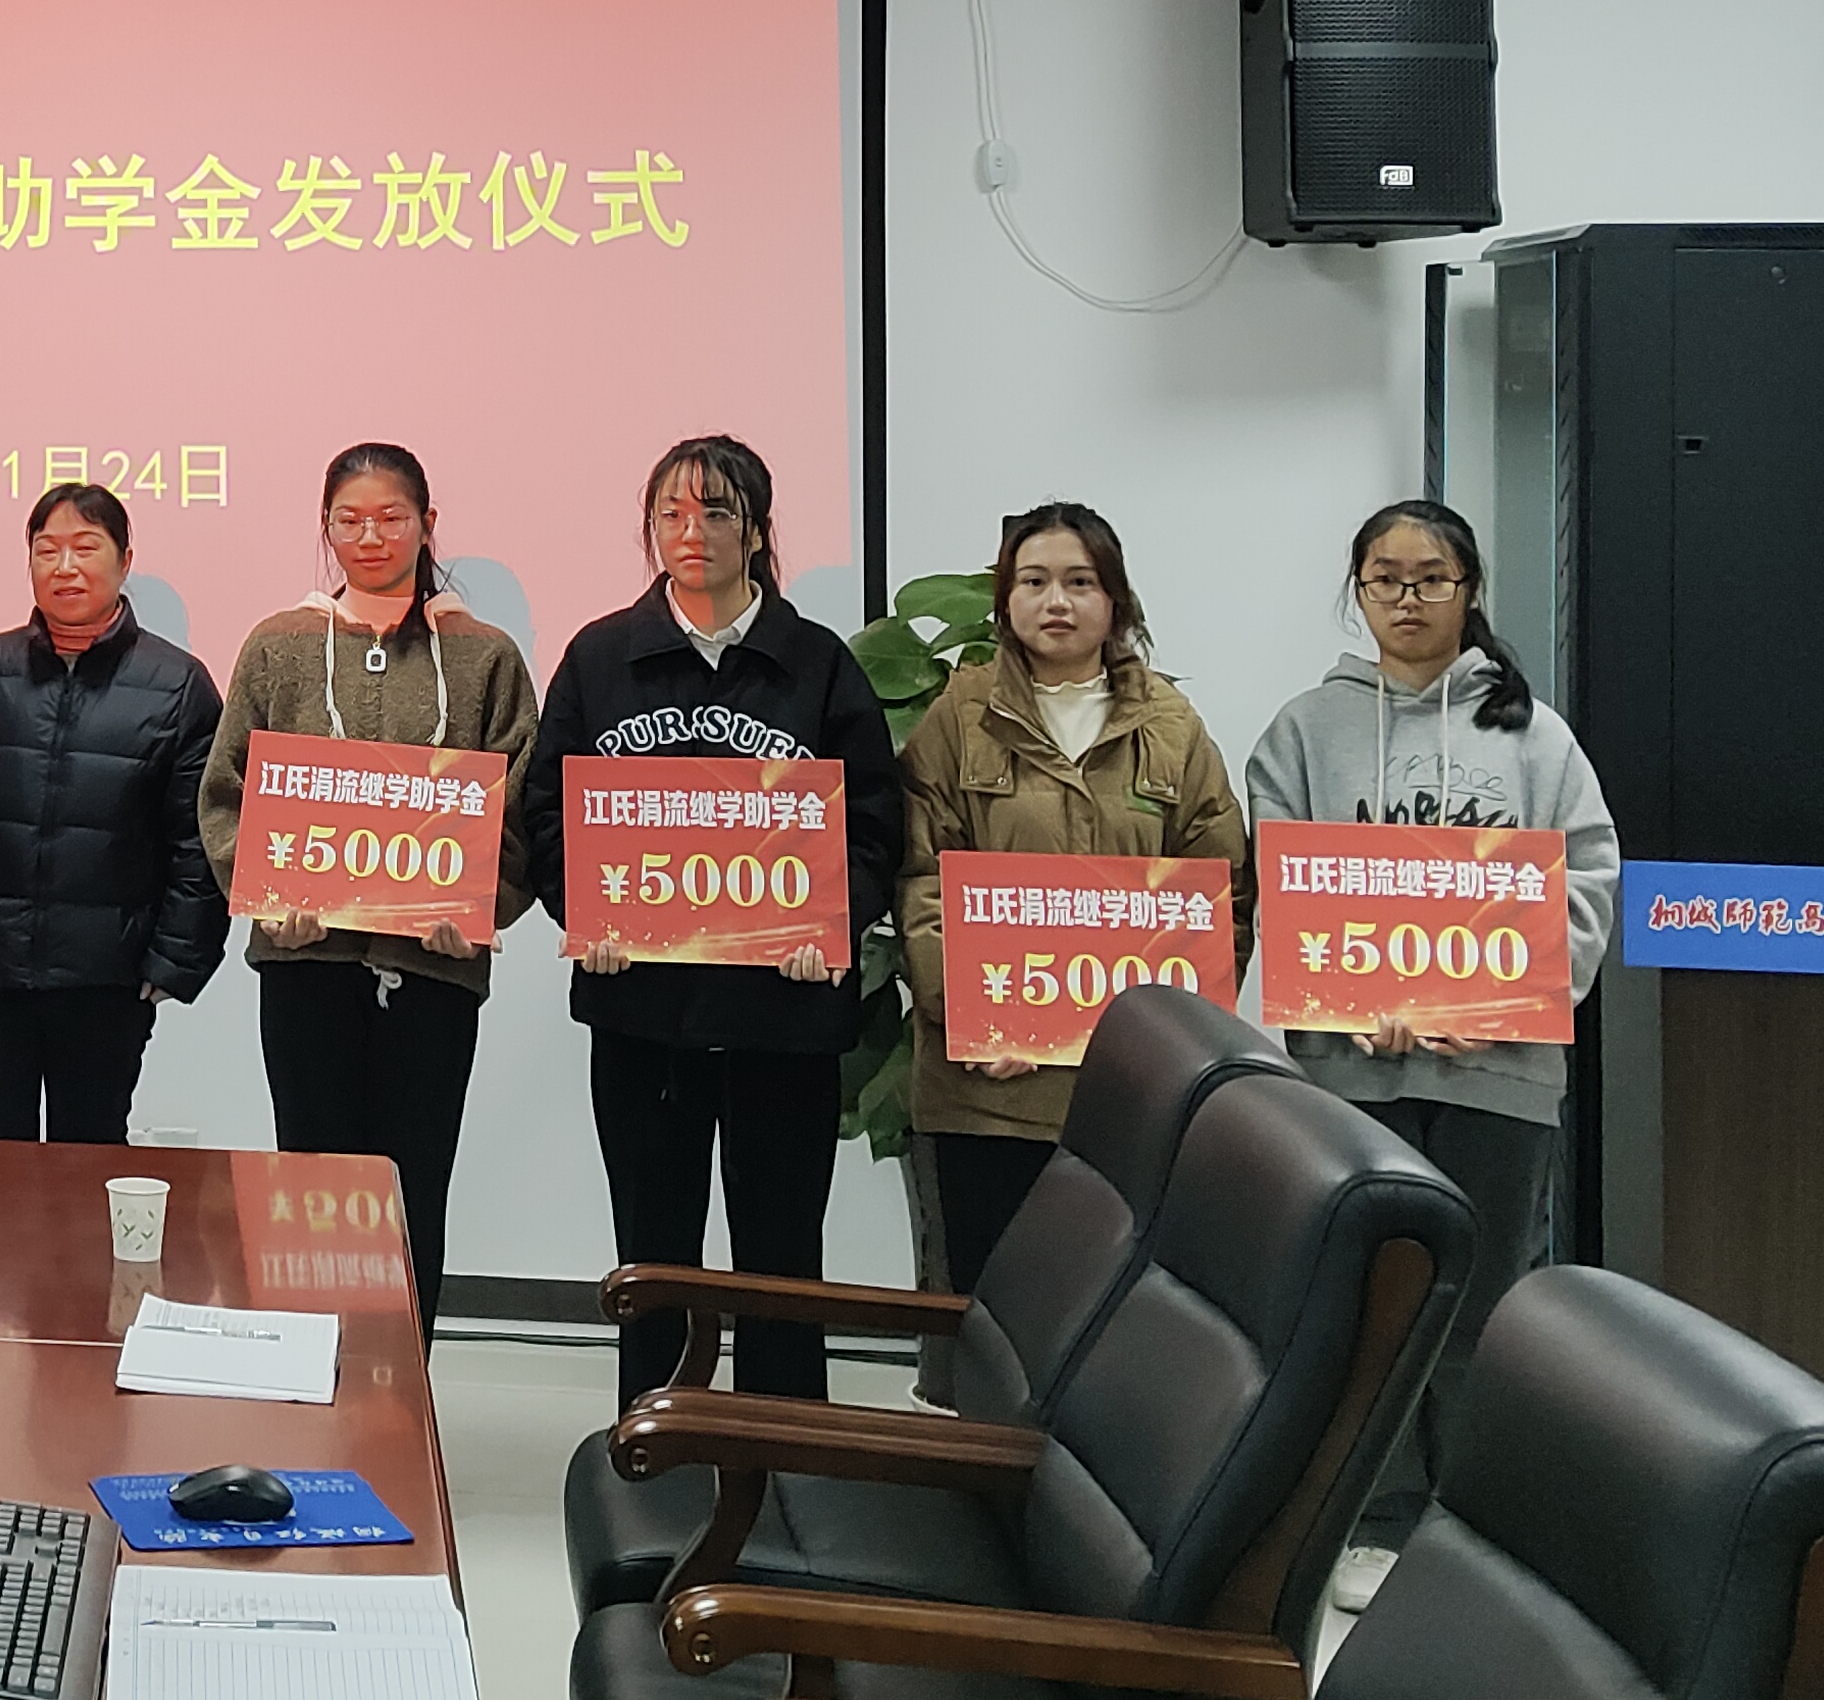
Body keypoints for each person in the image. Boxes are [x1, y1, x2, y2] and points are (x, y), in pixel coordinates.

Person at [1241, 495, 1622, 1610]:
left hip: (1500, 1074)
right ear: (1357, 592)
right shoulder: (1303, 732)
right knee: (1369, 1296)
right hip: (1348, 1072)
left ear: (1469, 591)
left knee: (1485, 1306)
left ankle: (1477, 1529)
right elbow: (1282, 885)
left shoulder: (1536, 736)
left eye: (1431, 580)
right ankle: (1374, 1514)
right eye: (1385, 580)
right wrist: (1347, 1001)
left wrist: (1495, 1004)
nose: (1407, 600)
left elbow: (1590, 882)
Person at [522, 433, 901, 1406]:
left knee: (782, 1259)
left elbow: (872, 824)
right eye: (671, 514)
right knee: (655, 1256)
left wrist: (833, 923)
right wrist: (586, 910)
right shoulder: (600, 657)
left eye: (718, 512)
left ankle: (786, 1453)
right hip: (645, 1017)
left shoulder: (819, 665)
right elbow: (547, 811)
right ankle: (661, 1446)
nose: (692, 532)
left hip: (785, 1019)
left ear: (759, 532)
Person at [197, 444, 543, 1319]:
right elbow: (227, 792)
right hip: (305, 969)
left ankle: (403, 1387)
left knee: (413, 1191)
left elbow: (521, 804)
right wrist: (267, 898)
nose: (370, 535)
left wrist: (482, 908)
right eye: (349, 520)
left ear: (428, 525)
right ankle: (316, 1384)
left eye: (391, 517)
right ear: (325, 529)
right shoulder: (277, 646)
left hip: (435, 971)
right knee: (310, 1194)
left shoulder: (487, 657)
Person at [896, 503, 1250, 1295]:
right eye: (1034, 582)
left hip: (1131, 1097)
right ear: (1006, 599)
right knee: (987, 1313)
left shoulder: (1172, 728)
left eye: (1080, 582)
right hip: (986, 1091)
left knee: (1117, 1315)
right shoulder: (958, 720)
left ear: (1116, 600)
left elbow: (1221, 896)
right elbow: (921, 878)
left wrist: (1169, 1046)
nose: (1056, 601)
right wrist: (976, 1013)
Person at [0, 481, 227, 1144]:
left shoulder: (177, 683)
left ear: (125, 561)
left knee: (90, 1152)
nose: (64, 567)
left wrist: (174, 960)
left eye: (85, 548)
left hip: (107, 975)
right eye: (47, 550)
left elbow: (197, 839)